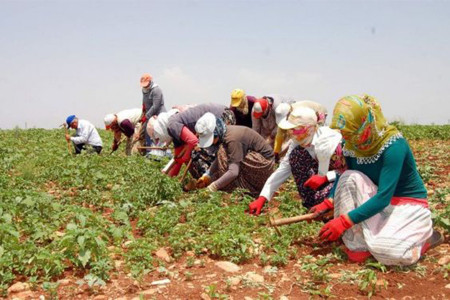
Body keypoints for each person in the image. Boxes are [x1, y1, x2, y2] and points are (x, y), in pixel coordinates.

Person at [314, 94, 439, 266]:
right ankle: (358, 245)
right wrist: (328, 202)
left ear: (365, 124)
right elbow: (347, 176)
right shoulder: (351, 144)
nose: (346, 137)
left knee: (389, 253)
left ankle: (425, 237)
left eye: (350, 132)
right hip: (377, 200)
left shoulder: (393, 146)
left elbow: (383, 197)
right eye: (344, 132)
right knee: (348, 177)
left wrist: (344, 221)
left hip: (405, 204)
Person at [248, 106, 345, 215]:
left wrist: (326, 177)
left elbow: (351, 172)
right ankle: (312, 204)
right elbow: (283, 169)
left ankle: (332, 207)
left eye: (296, 129)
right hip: (321, 178)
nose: (292, 134)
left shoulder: (332, 142)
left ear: (310, 129)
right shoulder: (297, 142)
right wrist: (263, 197)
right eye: (290, 130)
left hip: (340, 181)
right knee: (296, 156)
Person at [195, 113, 275, 196]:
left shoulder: (232, 140)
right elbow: (218, 160)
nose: (211, 142)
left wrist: (214, 186)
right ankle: (235, 185)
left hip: (265, 165)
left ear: (216, 133)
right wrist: (207, 175)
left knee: (224, 156)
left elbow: (233, 172)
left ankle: (246, 188)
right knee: (222, 154)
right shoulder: (226, 133)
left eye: (211, 139)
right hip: (259, 162)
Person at [152, 103, 235, 178]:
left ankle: (214, 179)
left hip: (221, 118)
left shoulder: (172, 125)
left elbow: (193, 141)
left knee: (196, 154)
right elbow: (177, 159)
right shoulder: (174, 133)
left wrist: (186, 156)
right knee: (200, 151)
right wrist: (168, 179)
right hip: (223, 113)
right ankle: (213, 177)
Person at [140, 73, 167, 157]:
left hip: (158, 114)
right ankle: (149, 152)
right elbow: (144, 102)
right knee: (147, 132)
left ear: (150, 81)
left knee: (159, 133)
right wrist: (143, 110)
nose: (144, 86)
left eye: (146, 84)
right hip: (149, 115)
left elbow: (156, 105)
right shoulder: (144, 90)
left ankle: (161, 154)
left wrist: (146, 116)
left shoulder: (156, 90)